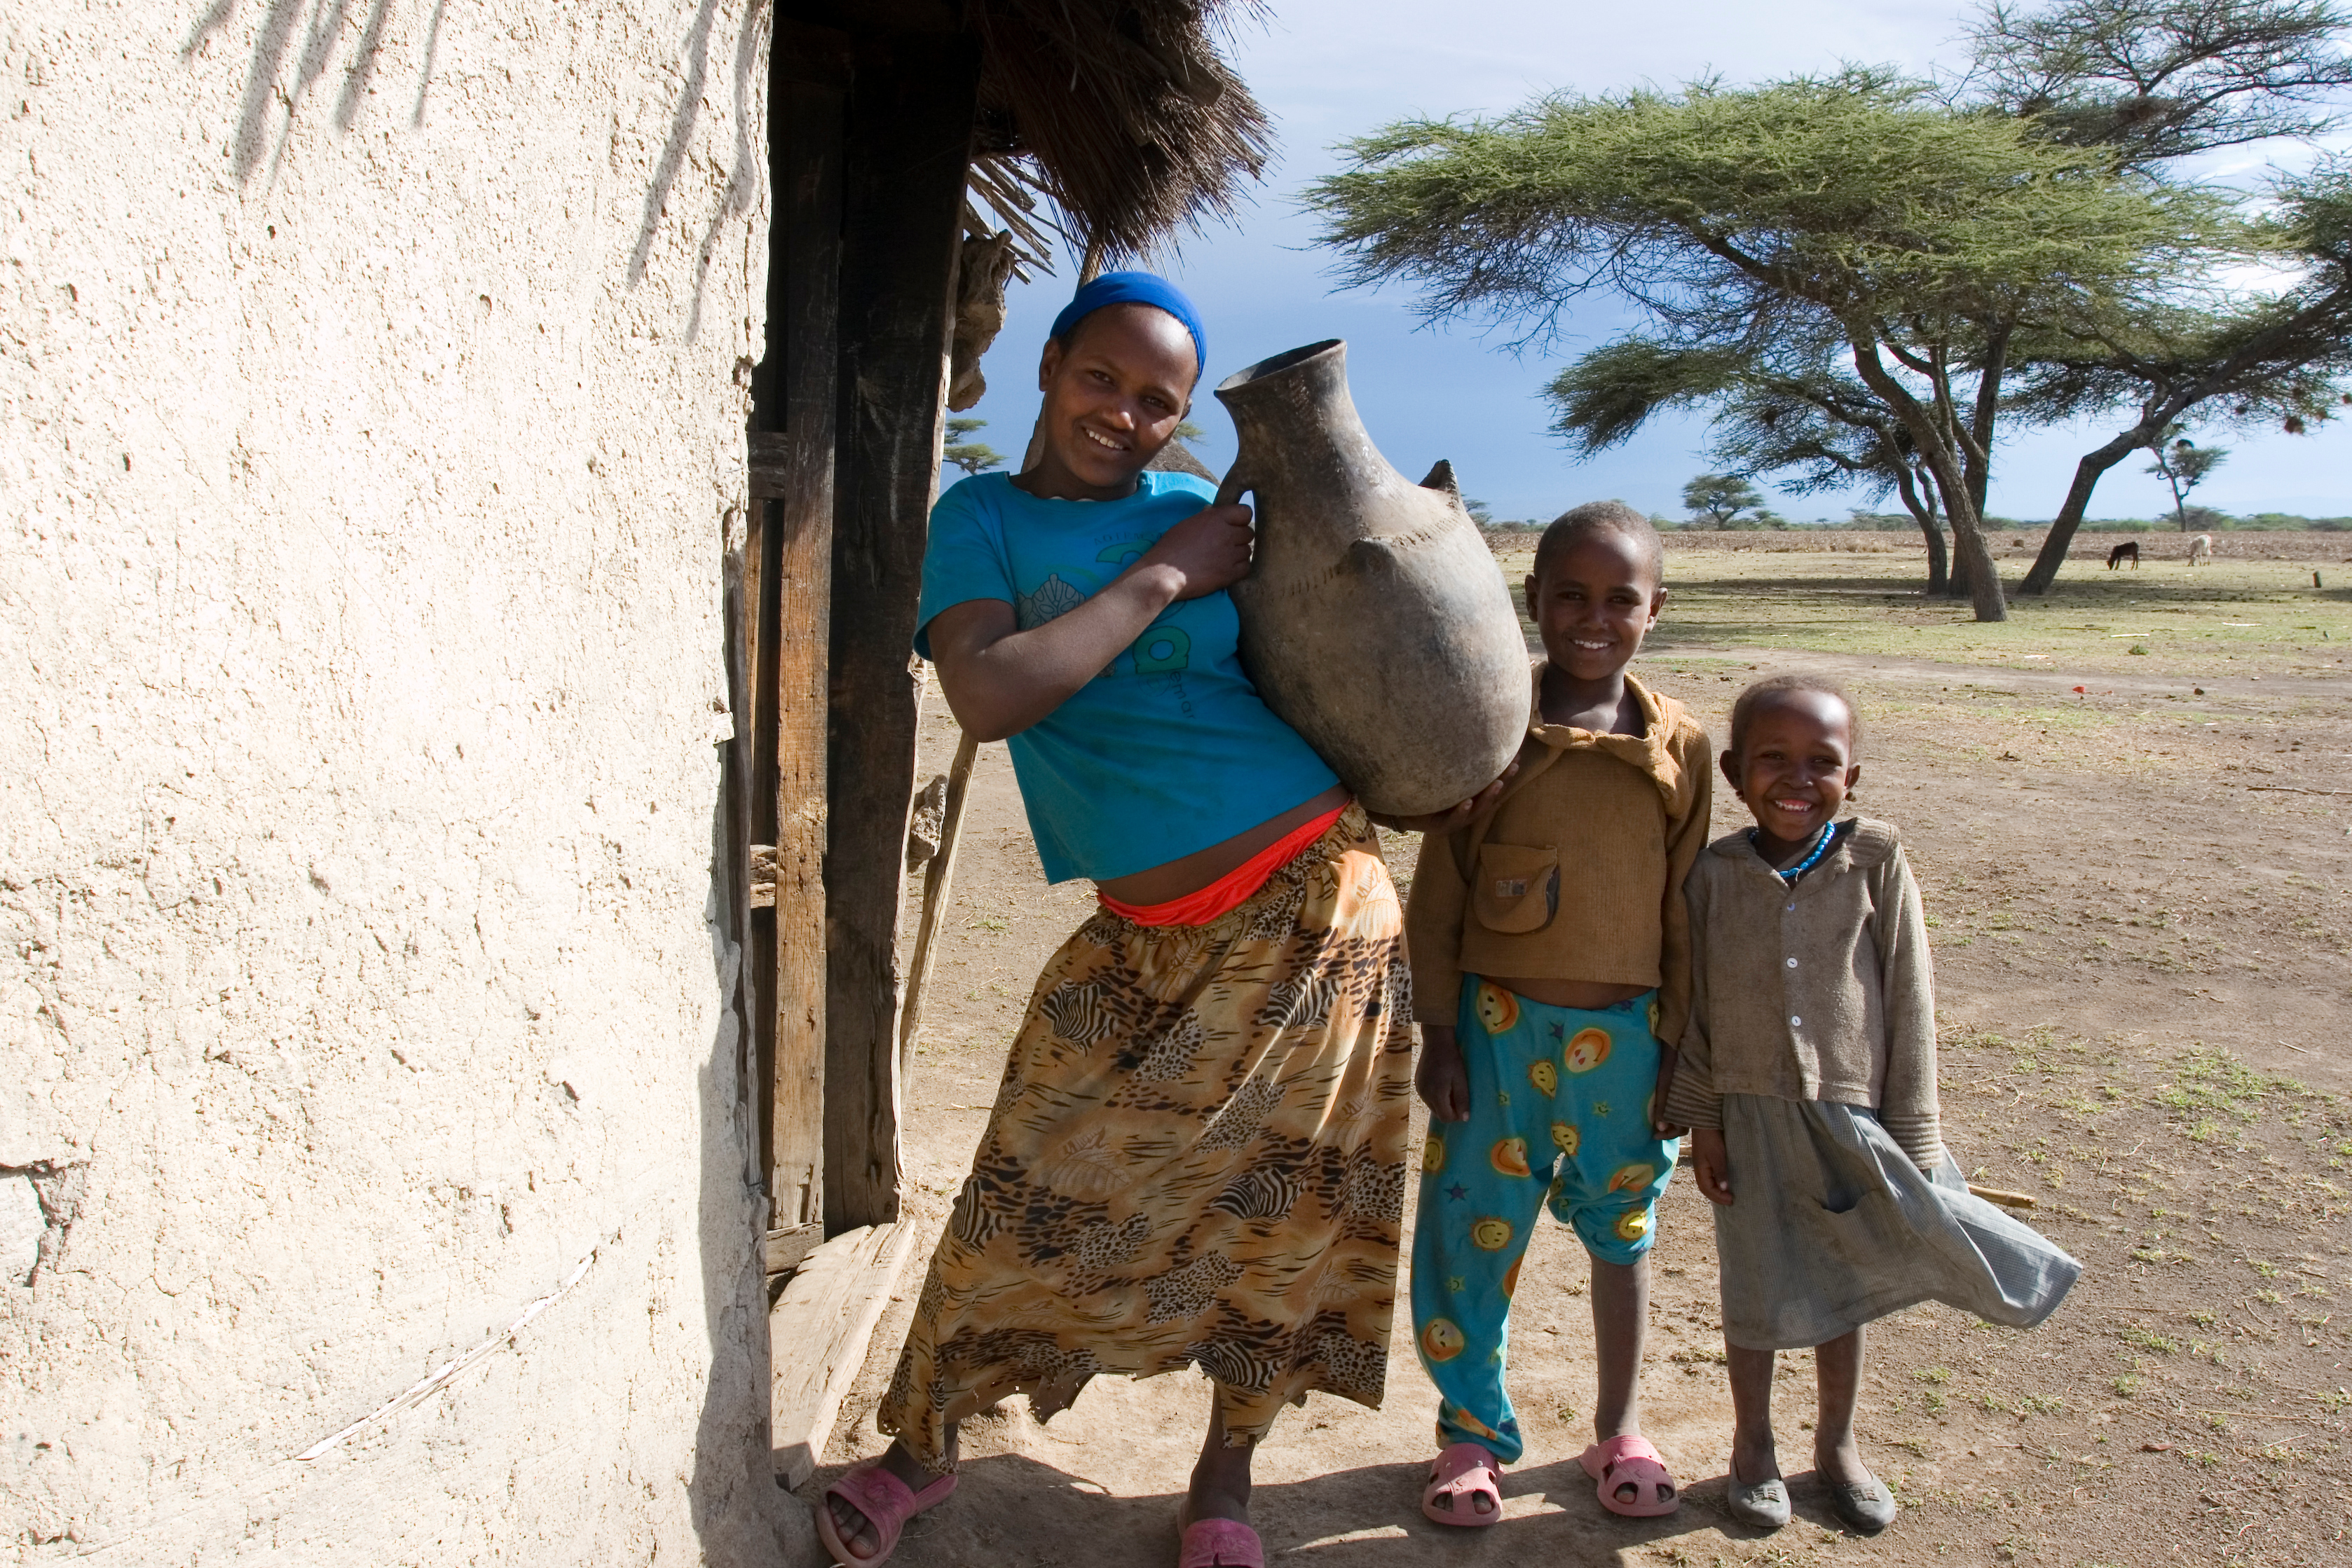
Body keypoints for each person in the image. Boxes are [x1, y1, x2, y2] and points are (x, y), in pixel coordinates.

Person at [813, 273, 1503, 1568]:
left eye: (1156, 401)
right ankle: (920, 1448)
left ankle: (1224, 1481)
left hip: (1320, 908)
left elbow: (1329, 670)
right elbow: (991, 691)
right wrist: (1160, 576)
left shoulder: (1209, 513)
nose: (1122, 416)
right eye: (1102, 379)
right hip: (1141, 932)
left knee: (1283, 1216)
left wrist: (1434, 755)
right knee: (1025, 1180)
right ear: (1048, 365)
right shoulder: (987, 523)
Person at [1665, 675, 2080, 1535]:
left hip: (1848, 1116)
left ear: (1851, 776)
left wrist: (1914, 1131)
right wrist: (1703, 1120)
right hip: (1747, 1118)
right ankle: (1752, 1448)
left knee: (1839, 1280)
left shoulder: (1875, 860)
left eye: (1822, 762)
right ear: (1737, 772)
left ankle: (1837, 1446)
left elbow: (1909, 1000)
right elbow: (1695, 1005)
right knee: (1755, 1283)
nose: (1796, 779)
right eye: (1773, 760)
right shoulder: (1714, 874)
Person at [1404, 501, 1711, 1527]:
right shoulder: (1488, 725)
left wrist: (1680, 1050)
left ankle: (1619, 1425)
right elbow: (1440, 888)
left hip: (1628, 1044)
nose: (1593, 616)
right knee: (1468, 1241)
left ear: (1655, 610)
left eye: (1619, 598)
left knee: (1622, 1233)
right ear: (1533, 602)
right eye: (1569, 595)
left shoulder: (1683, 747)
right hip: (1494, 1038)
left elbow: (1684, 908)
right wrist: (1438, 1030)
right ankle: (1469, 1434)